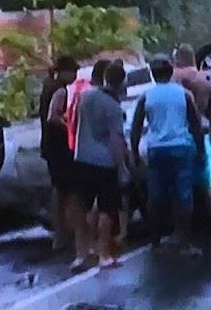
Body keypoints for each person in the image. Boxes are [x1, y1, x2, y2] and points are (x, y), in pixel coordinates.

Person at [130, 56, 204, 256]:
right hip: (181, 147)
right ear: (171, 72)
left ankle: (155, 241)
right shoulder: (184, 94)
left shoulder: (146, 97)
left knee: (155, 196)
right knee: (183, 195)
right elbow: (195, 124)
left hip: (157, 149)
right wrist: (201, 150)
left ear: (153, 74)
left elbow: (136, 126)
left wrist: (135, 151)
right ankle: (185, 242)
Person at [172, 43, 211, 246]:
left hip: (183, 134)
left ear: (178, 58)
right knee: (207, 187)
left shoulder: (176, 77)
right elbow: (210, 105)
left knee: (181, 189)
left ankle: (183, 236)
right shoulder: (205, 78)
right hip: (203, 134)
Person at [72, 62, 128, 269]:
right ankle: (103, 254)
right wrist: (121, 166)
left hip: (81, 157)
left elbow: (76, 123)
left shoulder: (85, 96)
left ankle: (81, 254)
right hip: (104, 161)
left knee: (83, 208)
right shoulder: (113, 107)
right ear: (121, 82)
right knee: (106, 208)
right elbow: (116, 139)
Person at [41, 56, 80, 251]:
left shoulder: (47, 85)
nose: (74, 76)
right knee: (68, 191)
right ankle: (66, 233)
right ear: (64, 71)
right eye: (73, 72)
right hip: (59, 145)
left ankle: (60, 233)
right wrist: (70, 127)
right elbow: (52, 116)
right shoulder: (59, 89)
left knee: (60, 189)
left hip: (49, 145)